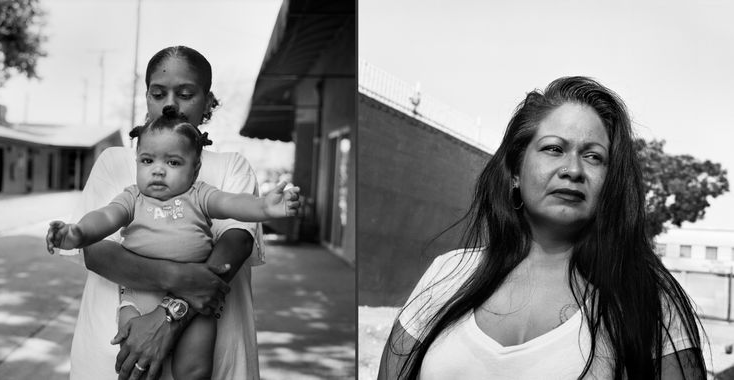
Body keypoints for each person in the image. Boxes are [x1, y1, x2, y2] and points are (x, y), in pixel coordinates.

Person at [377, 76, 704, 379]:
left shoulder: (646, 298)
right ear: (516, 171)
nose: (573, 169)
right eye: (554, 149)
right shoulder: (446, 275)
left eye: (593, 156)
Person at [59, 45, 265, 380]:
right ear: (146, 97)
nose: (170, 103)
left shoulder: (232, 166)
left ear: (208, 100)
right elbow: (97, 253)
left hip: (214, 359)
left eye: (185, 93)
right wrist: (182, 279)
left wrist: (167, 318)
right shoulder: (116, 162)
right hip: (113, 357)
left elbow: (235, 246)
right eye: (158, 93)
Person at [47, 108, 300, 379]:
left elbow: (233, 203)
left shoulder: (200, 195)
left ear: (195, 168)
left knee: (195, 369)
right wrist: (78, 232)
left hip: (193, 302)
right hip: (137, 295)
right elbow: (105, 217)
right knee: (134, 365)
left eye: (173, 163)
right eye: (147, 160)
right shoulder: (133, 198)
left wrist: (264, 208)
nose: (158, 170)